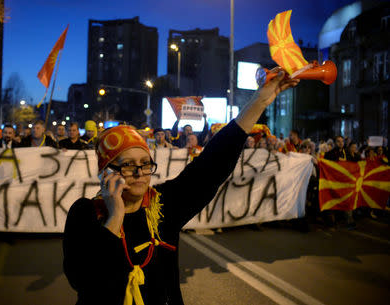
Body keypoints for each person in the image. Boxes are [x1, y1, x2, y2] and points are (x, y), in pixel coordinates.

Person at [62, 69, 299, 305]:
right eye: (127, 166)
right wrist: (115, 217)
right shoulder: (85, 213)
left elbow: (213, 163)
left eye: (145, 164)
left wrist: (260, 101)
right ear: (107, 173)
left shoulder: (162, 205)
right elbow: (82, 279)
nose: (140, 173)